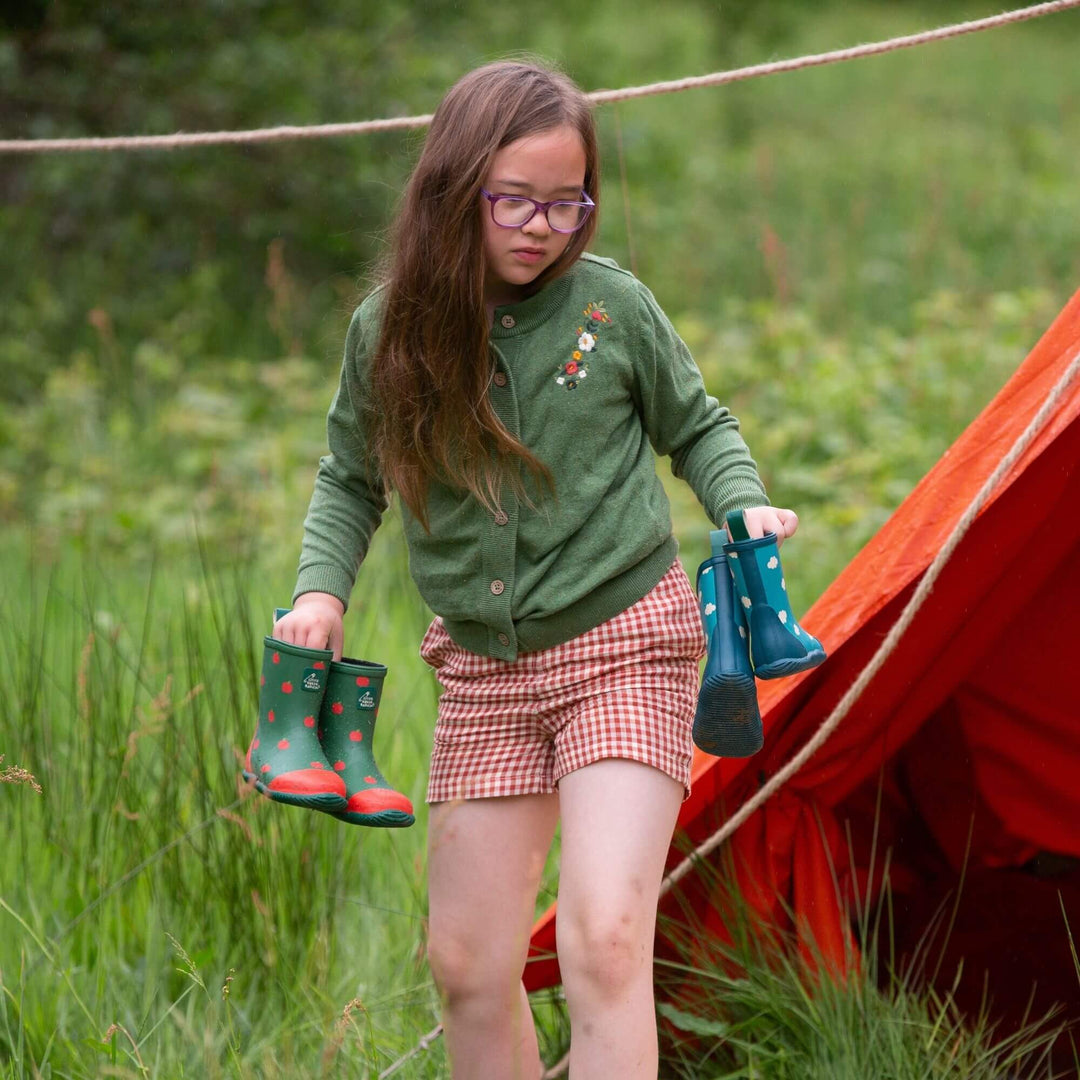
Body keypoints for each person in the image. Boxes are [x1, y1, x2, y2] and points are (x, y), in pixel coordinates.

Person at [273, 58, 798, 1080]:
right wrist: (319, 593)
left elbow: (699, 425)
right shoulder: (390, 333)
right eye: (512, 199)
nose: (539, 226)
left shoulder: (612, 310)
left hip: (626, 647)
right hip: (484, 673)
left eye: (568, 203)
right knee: (468, 966)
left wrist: (741, 501)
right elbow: (349, 477)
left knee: (603, 941)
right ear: (453, 189)